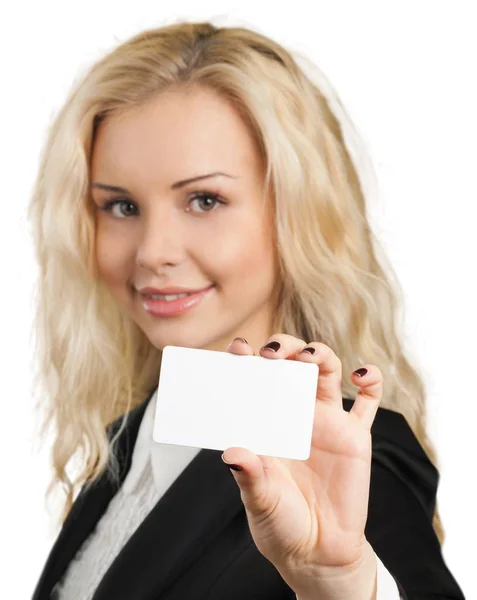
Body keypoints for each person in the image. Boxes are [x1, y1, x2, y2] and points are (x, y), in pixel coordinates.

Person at [28, 19, 465, 600]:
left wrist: (339, 582)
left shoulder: (342, 456)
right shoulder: (131, 439)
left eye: (204, 200)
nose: (154, 251)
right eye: (121, 206)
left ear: (294, 214)